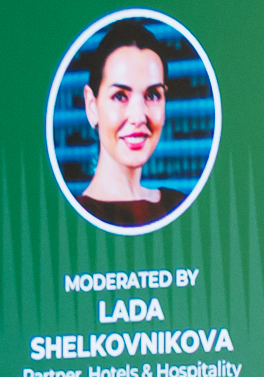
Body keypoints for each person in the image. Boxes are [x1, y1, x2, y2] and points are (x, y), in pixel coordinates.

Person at [69, 18, 181, 227]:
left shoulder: (178, 205)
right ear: (92, 106)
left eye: (153, 95)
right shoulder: (71, 220)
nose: (138, 117)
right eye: (120, 96)